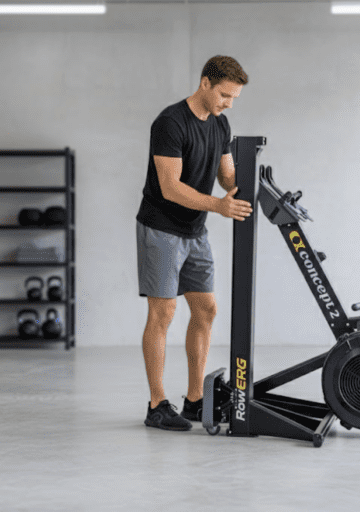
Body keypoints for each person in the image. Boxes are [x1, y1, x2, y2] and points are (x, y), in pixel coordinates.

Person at [136, 55, 253, 431]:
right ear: (205, 83)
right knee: (163, 313)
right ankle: (157, 404)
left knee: (205, 310)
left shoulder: (221, 123)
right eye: (224, 95)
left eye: (233, 98)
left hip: (195, 230)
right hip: (162, 227)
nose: (228, 103)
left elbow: (227, 175)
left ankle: (193, 401)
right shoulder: (170, 122)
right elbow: (170, 187)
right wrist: (220, 206)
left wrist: (249, 183)